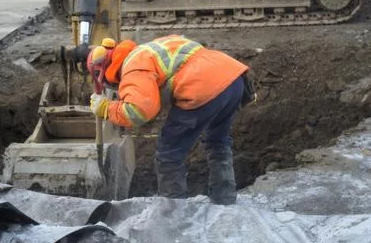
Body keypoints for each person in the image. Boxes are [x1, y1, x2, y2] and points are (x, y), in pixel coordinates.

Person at [89, 34, 254, 205]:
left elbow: (139, 111)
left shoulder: (133, 66)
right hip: (233, 78)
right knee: (218, 140)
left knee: (169, 150)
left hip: (202, 86)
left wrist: (106, 108)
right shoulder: (150, 49)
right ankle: (225, 198)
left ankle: (173, 209)